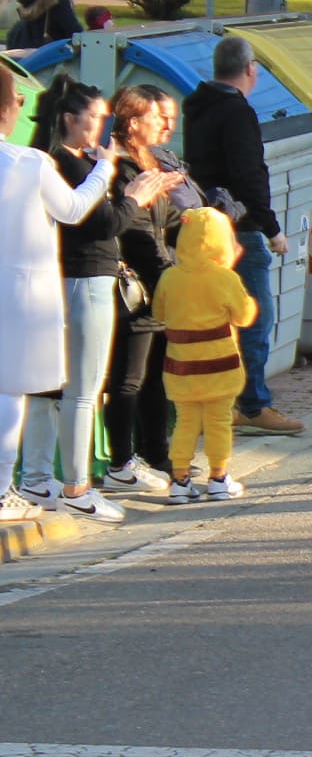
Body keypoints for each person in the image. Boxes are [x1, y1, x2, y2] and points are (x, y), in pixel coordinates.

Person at [18, 78, 152, 522]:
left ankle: (37, 478)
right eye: (93, 117)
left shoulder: (62, 161)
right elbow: (102, 224)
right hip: (86, 278)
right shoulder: (71, 164)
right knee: (82, 389)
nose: (100, 126)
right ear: (69, 119)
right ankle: (77, 485)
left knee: (52, 388)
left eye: (103, 117)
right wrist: (133, 195)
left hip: (69, 280)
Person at [0, 65, 117, 523]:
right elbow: (71, 209)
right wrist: (105, 168)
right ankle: (3, 488)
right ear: (9, 109)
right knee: (11, 395)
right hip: (22, 299)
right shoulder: (28, 164)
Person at [183, 36, 304, 435]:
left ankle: (222, 400)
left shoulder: (198, 107)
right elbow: (248, 174)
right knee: (254, 314)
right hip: (241, 228)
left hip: (207, 225)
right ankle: (253, 404)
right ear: (250, 68)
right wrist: (272, 229)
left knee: (217, 319)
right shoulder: (237, 113)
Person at [101, 86, 193, 497]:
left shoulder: (151, 163)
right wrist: (169, 274)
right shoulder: (120, 168)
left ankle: (155, 454)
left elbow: (169, 219)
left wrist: (197, 219)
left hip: (159, 282)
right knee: (129, 377)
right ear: (134, 122)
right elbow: (137, 233)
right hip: (135, 286)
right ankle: (121, 461)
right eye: (159, 118)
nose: (167, 126)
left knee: (155, 376)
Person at [151, 206, 260, 504]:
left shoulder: (170, 278)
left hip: (180, 364)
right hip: (220, 364)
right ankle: (218, 478)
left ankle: (180, 480)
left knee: (185, 420)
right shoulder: (224, 278)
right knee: (218, 421)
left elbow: (159, 313)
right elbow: (245, 316)